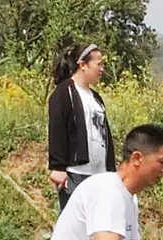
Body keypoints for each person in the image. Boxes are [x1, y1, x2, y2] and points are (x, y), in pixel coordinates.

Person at [48, 43, 115, 212]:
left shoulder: (96, 98)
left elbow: (105, 136)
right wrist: (58, 167)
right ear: (83, 65)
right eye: (98, 64)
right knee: (75, 225)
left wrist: (111, 171)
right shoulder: (64, 93)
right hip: (76, 172)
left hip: (99, 173)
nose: (102, 69)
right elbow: (57, 129)